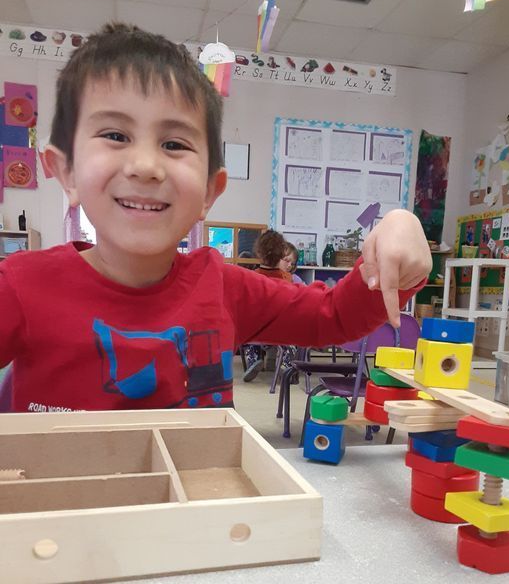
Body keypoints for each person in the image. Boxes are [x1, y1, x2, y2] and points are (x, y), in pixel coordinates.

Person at [0, 22, 431, 413]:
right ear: (67, 172)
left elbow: (334, 316)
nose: (146, 165)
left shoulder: (223, 288)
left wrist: (399, 241)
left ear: (209, 191)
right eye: (115, 135)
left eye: (174, 144)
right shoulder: (20, 285)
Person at [242, 230, 292, 382]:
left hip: (257, 330)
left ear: (259, 252)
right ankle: (287, 364)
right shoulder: (287, 278)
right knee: (294, 335)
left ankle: (253, 359)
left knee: (247, 328)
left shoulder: (252, 276)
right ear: (282, 253)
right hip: (281, 330)